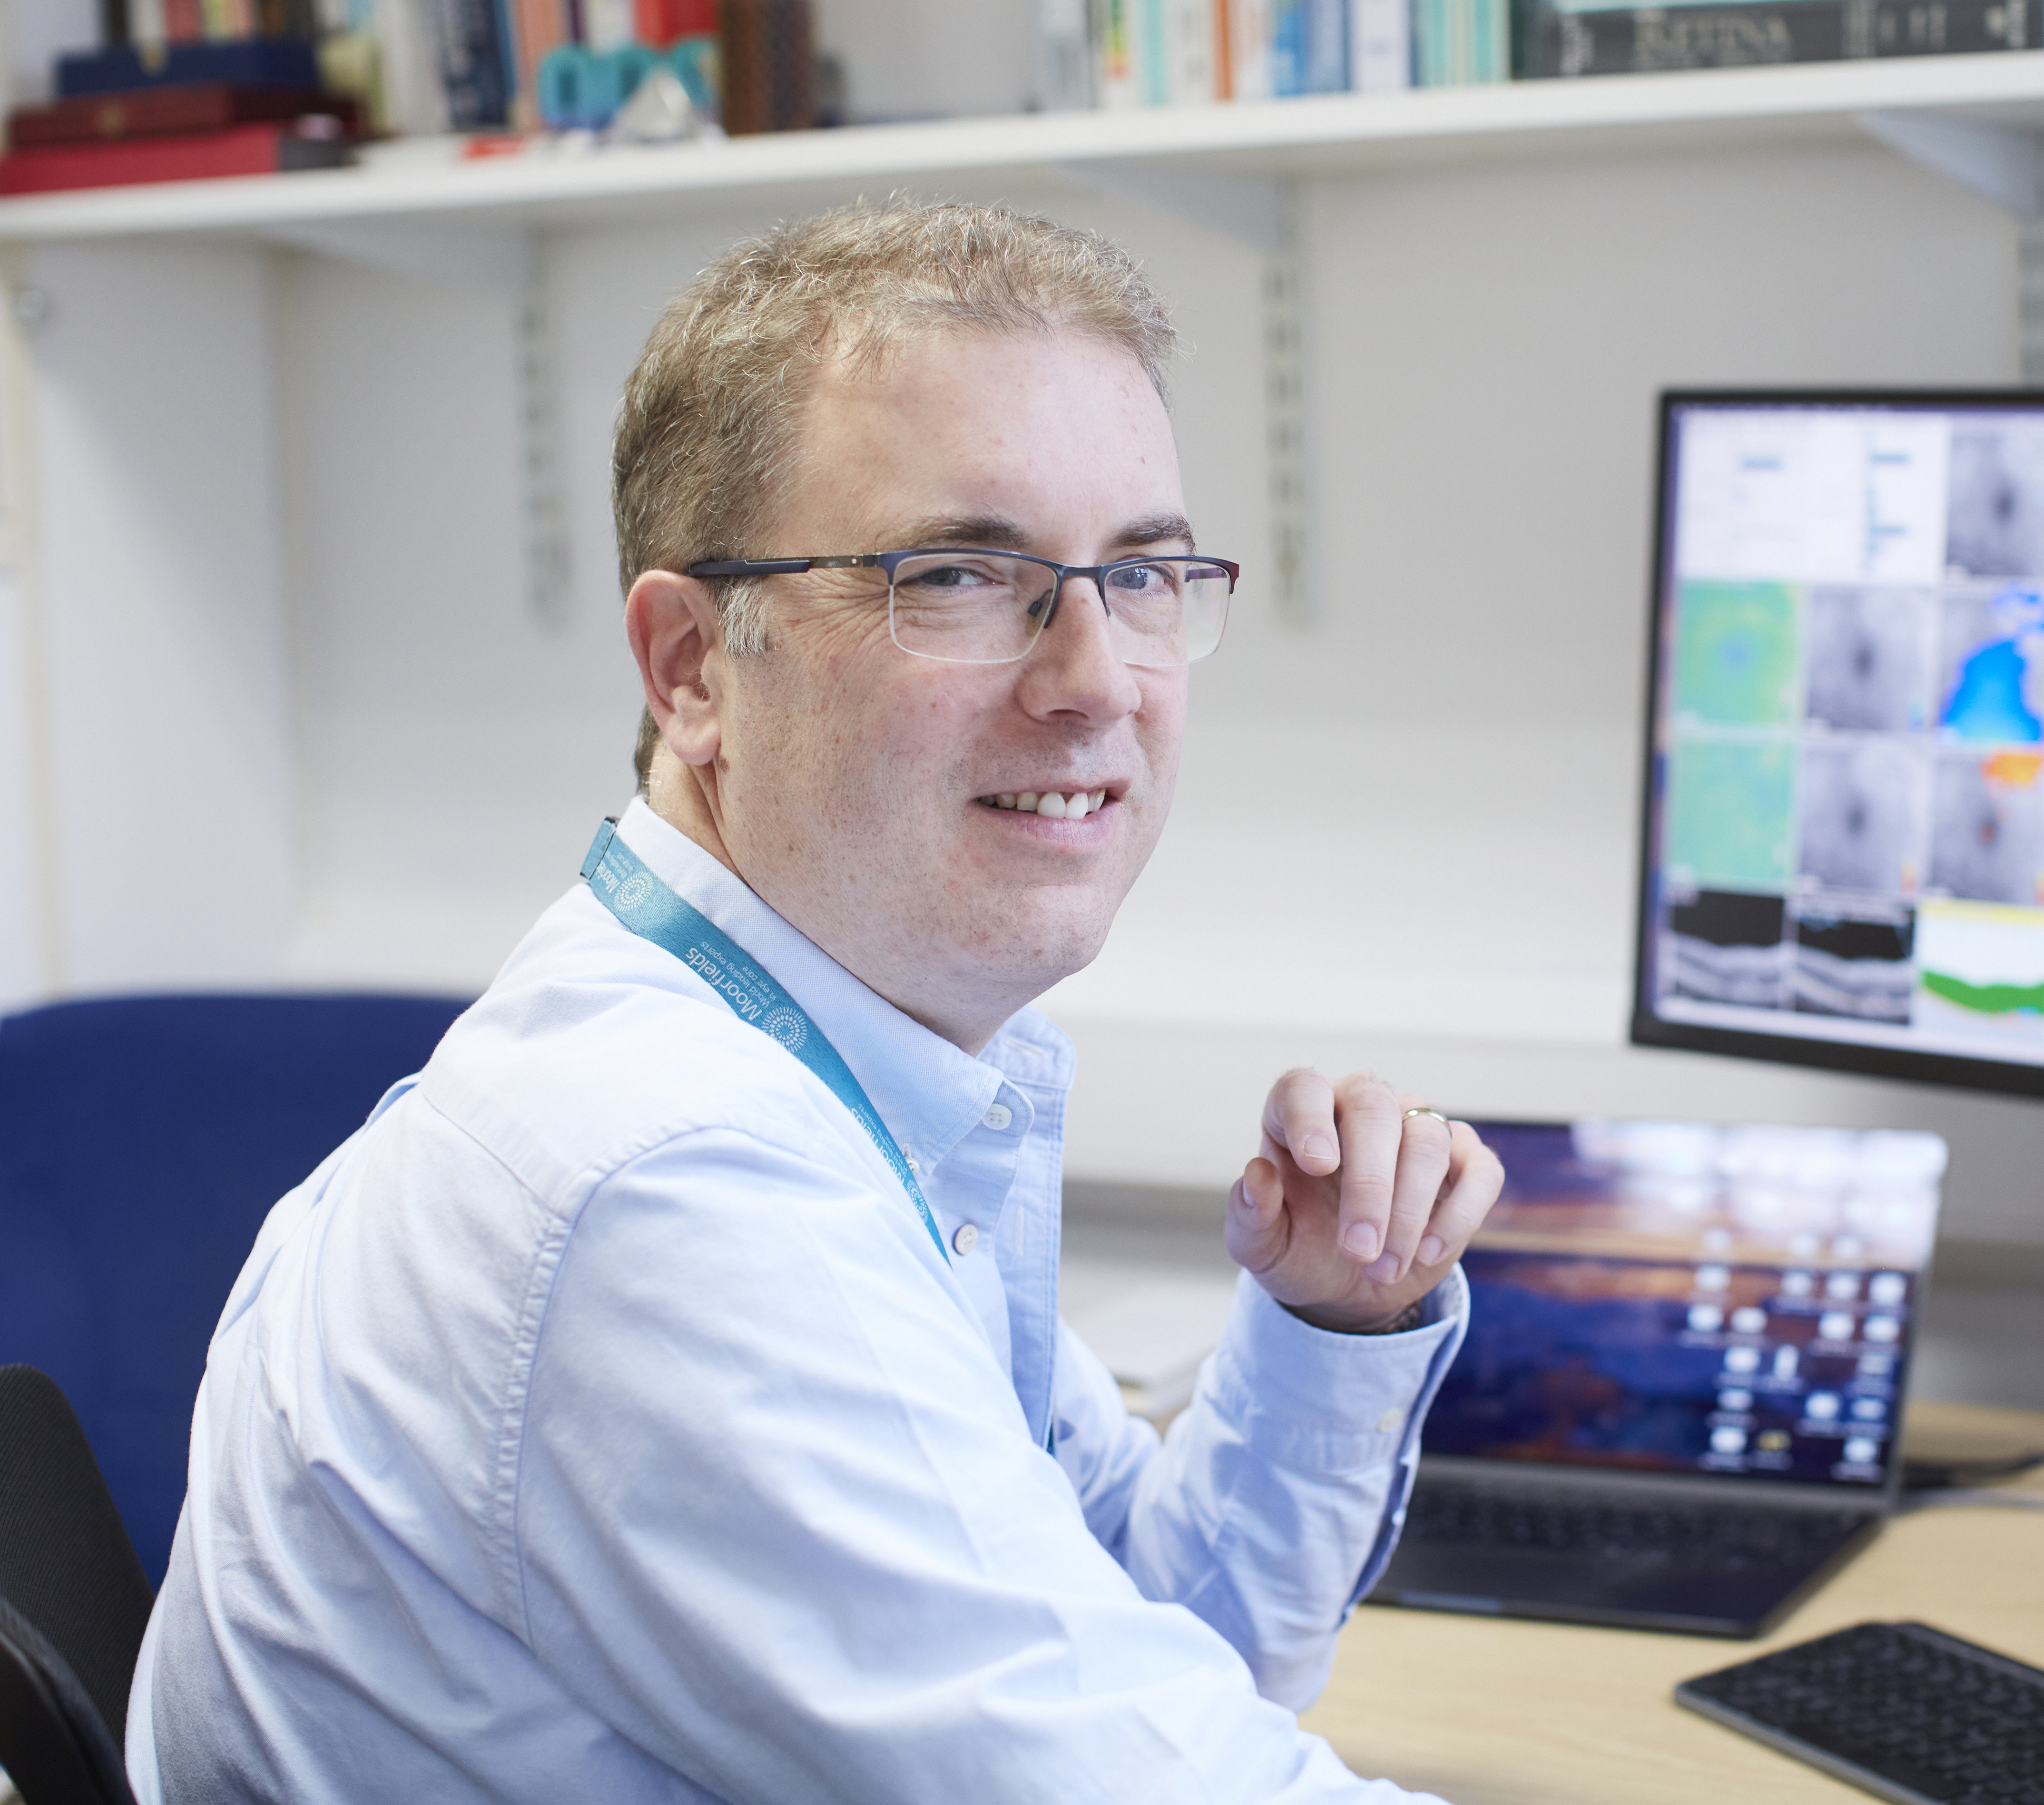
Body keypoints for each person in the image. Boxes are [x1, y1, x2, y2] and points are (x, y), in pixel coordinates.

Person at [128, 201, 1504, 1804]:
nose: (1096, 678)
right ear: (694, 666)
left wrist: (1331, 1323)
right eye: (961, 577)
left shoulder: (826, 1078)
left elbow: (1148, 1650)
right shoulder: (671, 1183)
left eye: (1138, 576)